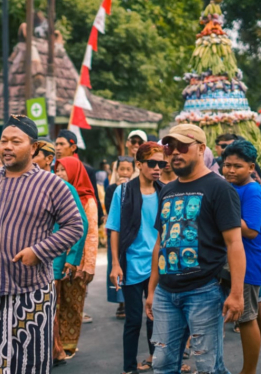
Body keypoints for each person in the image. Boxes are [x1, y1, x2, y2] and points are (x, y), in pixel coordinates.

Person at [0, 115, 84, 374]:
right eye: (3, 141)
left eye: (15, 141)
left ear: (34, 148)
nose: (7, 146)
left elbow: (75, 226)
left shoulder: (53, 185)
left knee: (27, 365)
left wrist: (38, 252)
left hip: (31, 292)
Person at [145, 124, 246, 374]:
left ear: (201, 149)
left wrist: (236, 294)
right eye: (170, 147)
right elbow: (161, 242)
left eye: (182, 146)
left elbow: (234, 243)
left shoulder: (220, 188)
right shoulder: (167, 191)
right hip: (166, 294)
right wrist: (152, 290)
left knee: (207, 367)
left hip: (204, 292)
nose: (175, 153)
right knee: (162, 365)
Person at [222, 140, 261, 374]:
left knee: (246, 318)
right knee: (257, 312)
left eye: (237, 166)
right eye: (227, 165)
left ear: (251, 167)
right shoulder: (233, 187)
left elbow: (250, 229)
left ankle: (248, 371)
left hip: (248, 263)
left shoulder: (253, 191)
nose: (230, 170)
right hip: (238, 261)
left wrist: (220, 213)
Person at [107, 142, 165, 374]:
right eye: (152, 163)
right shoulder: (123, 192)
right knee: (133, 320)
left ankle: (154, 359)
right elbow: (114, 228)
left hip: (158, 267)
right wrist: (115, 264)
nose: (157, 168)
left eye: (162, 163)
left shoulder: (165, 191)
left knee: (156, 318)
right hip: (131, 264)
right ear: (139, 165)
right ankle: (129, 367)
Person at [32, 138, 88, 367]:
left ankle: (54, 352)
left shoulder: (62, 187)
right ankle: (51, 352)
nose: (31, 158)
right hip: (27, 259)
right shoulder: (21, 185)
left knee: (47, 307)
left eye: (36, 154)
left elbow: (80, 223)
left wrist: (72, 258)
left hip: (52, 260)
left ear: (48, 160)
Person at [54, 156, 99, 356]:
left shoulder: (87, 199)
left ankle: (69, 344)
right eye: (57, 171)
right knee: (55, 302)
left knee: (73, 304)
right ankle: (55, 344)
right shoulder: (53, 194)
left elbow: (91, 234)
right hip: (56, 259)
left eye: (64, 170)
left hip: (77, 262)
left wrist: (88, 265)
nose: (60, 175)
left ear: (75, 172)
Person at [105, 156, 135, 319]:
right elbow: (111, 213)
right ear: (117, 171)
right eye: (121, 169)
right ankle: (121, 302)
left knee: (130, 268)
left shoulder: (137, 188)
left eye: (127, 169)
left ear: (133, 171)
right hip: (116, 235)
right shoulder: (111, 190)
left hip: (131, 235)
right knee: (116, 266)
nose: (124, 172)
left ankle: (131, 301)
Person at [56, 129, 105, 225]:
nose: (58, 148)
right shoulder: (51, 171)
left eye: (62, 144)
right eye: (56, 144)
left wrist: (99, 217)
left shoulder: (86, 170)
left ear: (73, 147)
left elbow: (92, 195)